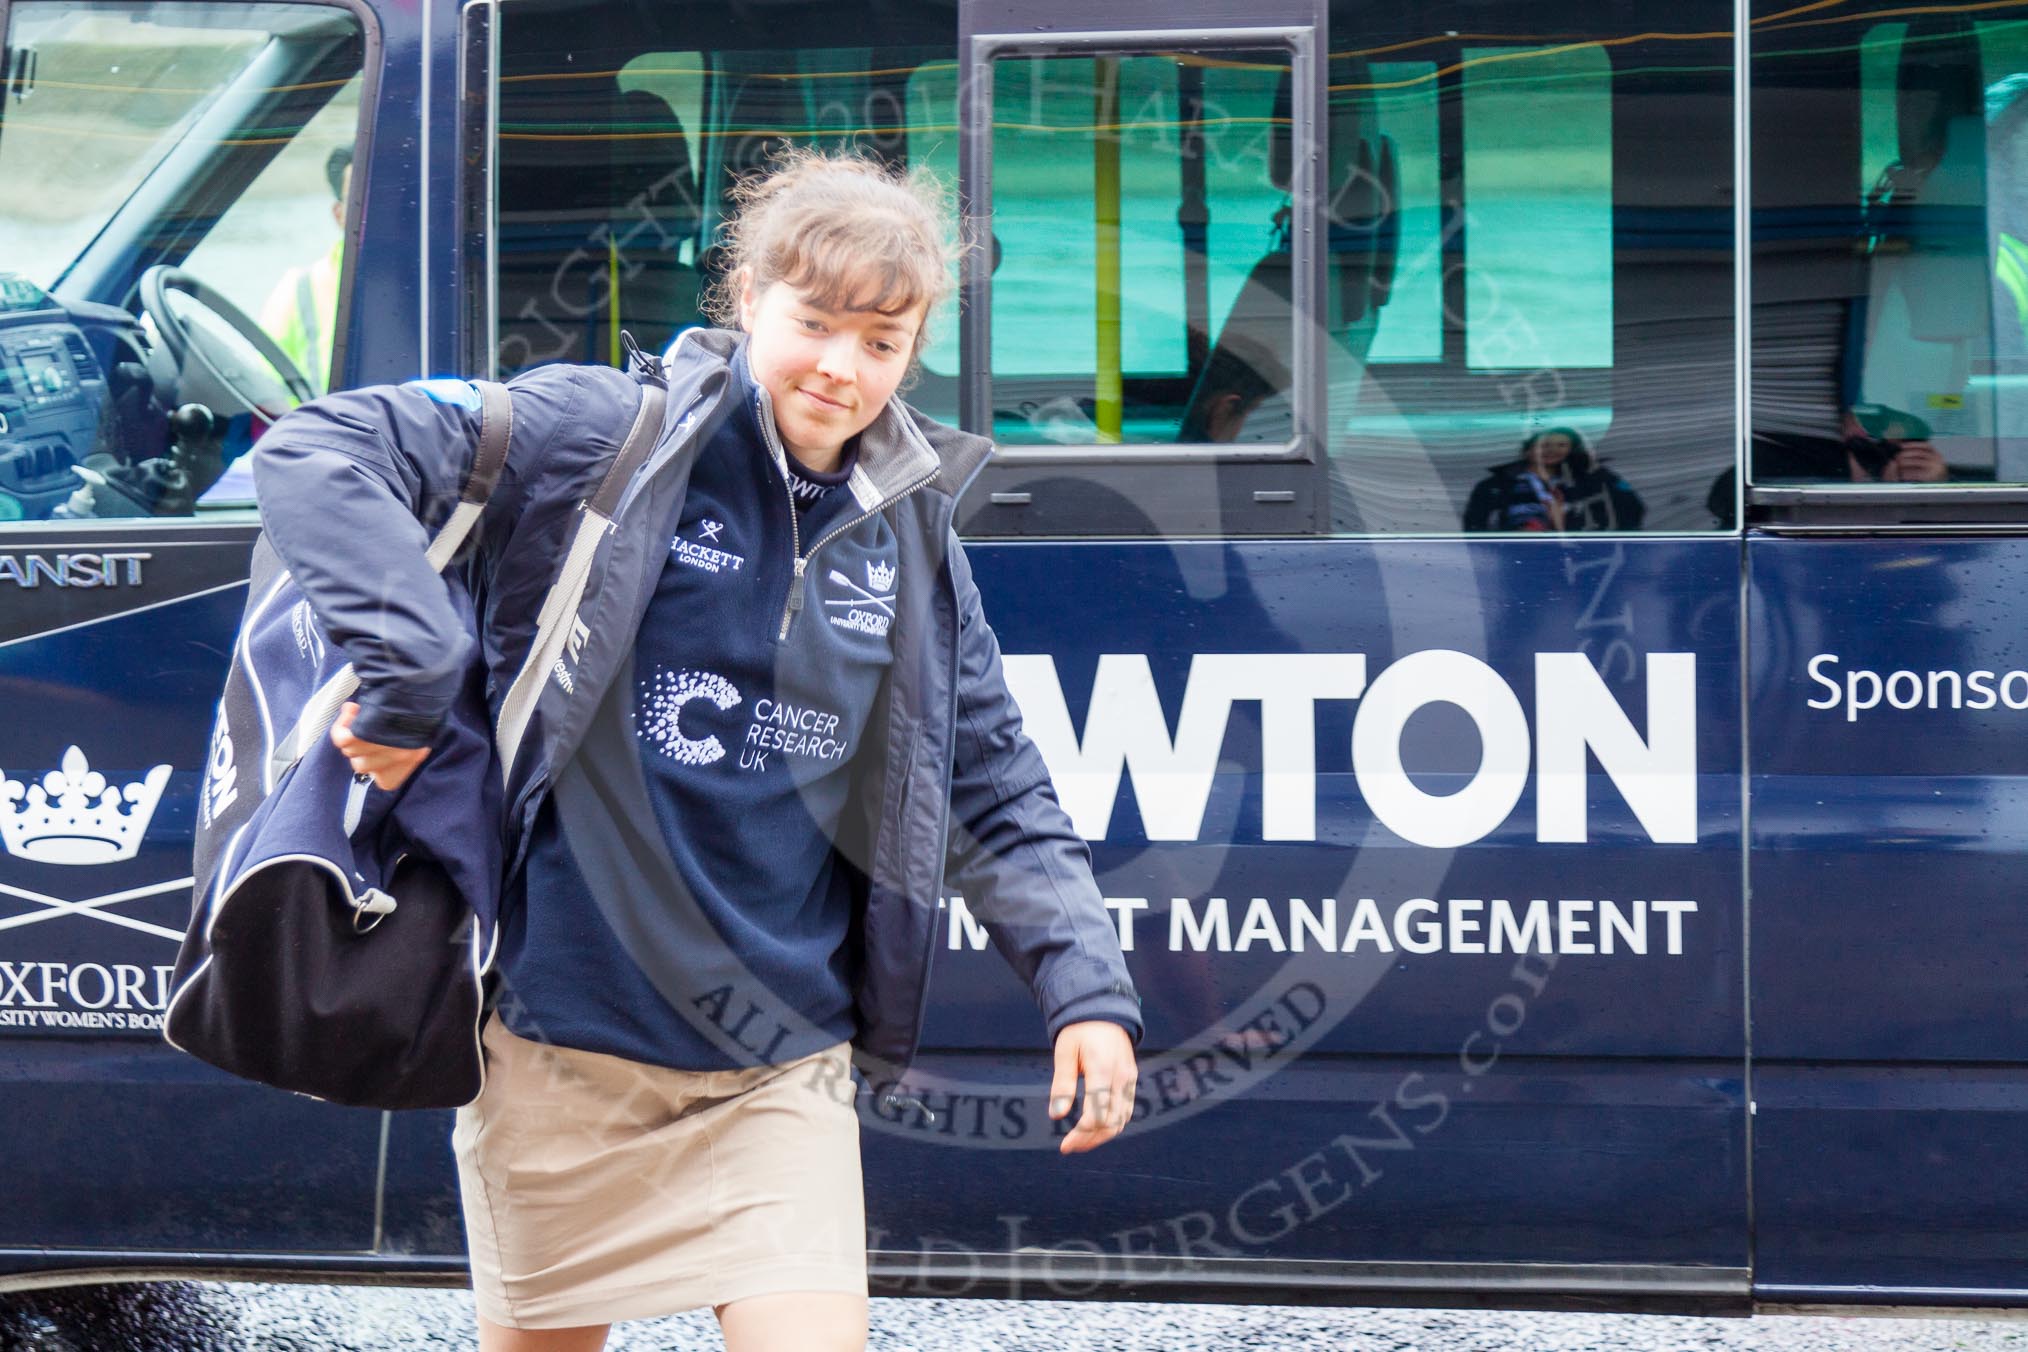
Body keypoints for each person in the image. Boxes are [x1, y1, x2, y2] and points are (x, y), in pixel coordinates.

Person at [249, 149, 1143, 1352]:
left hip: (780, 1065)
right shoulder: (603, 438)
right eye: (815, 321)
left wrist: (1086, 987)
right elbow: (316, 449)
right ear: (749, 298)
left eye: (881, 342)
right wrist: (407, 674)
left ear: (914, 347)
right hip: (564, 1045)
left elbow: (993, 776)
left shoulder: (910, 527)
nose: (842, 365)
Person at [258, 145, 351, 396]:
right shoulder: (298, 291)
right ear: (339, 214)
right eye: (361, 200)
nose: (375, 212)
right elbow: (267, 395)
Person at [1462, 426, 1644, 532]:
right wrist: (1512, 535)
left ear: (1572, 450)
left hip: (1583, 560)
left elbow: (1631, 511)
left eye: (1561, 445)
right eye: (1544, 444)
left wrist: (1565, 524)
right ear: (1527, 450)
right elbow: (1474, 527)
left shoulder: (1594, 479)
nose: (1552, 450)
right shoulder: (1495, 485)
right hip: (1515, 558)